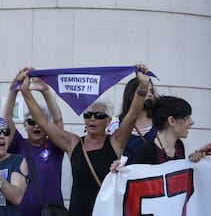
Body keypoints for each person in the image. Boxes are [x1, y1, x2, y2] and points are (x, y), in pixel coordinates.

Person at [19, 64, 151, 216]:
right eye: (88, 115)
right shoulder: (73, 143)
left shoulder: (116, 141)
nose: (92, 119)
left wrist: (142, 87)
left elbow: (133, 114)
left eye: (98, 116)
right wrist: (26, 92)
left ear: (108, 121)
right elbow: (43, 122)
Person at [3, 68, 65, 216]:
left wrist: (45, 91)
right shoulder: (18, 144)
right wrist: (13, 91)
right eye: (31, 122)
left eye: (40, 122)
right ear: (24, 125)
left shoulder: (55, 146)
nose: (36, 125)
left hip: (52, 212)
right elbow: (6, 119)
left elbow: (58, 120)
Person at [105, 77, 157, 160]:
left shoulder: (160, 124)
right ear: (132, 96)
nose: (150, 94)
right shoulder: (115, 124)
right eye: (145, 91)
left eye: (151, 91)